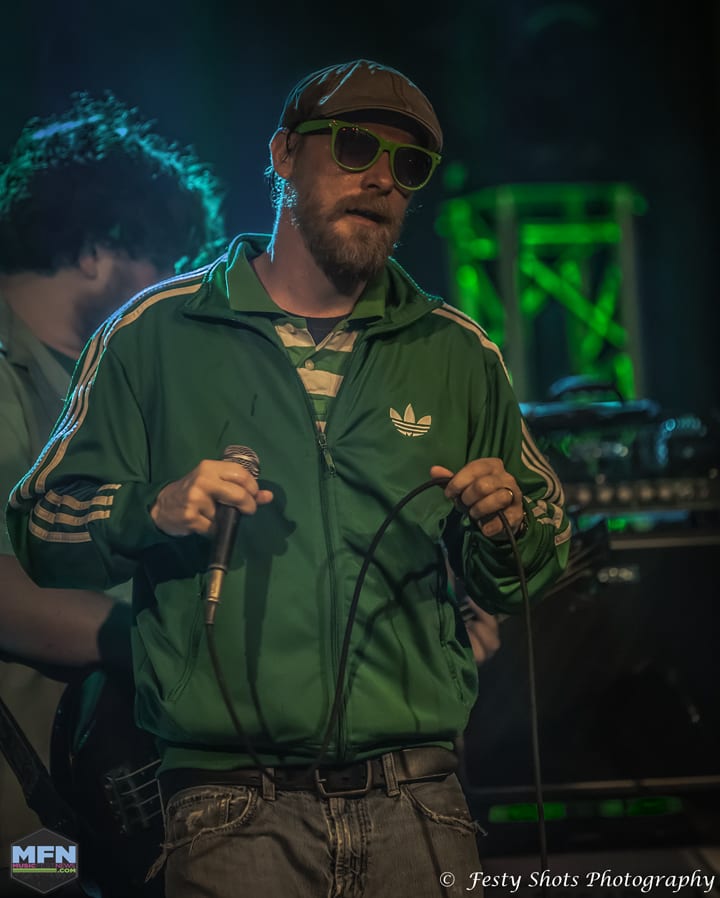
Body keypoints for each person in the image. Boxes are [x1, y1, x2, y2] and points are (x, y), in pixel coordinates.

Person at [6, 61, 570, 898]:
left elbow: (540, 555)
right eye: (355, 147)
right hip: (230, 810)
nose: (382, 177)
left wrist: (508, 526)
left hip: (420, 804)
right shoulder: (153, 333)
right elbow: (41, 525)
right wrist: (151, 510)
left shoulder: (458, 351)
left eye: (409, 164)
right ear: (281, 156)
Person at [0, 92, 224, 894]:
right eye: (167, 263)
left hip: (111, 805)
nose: (179, 291)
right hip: (23, 827)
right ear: (97, 250)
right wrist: (183, 652)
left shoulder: (108, 383)